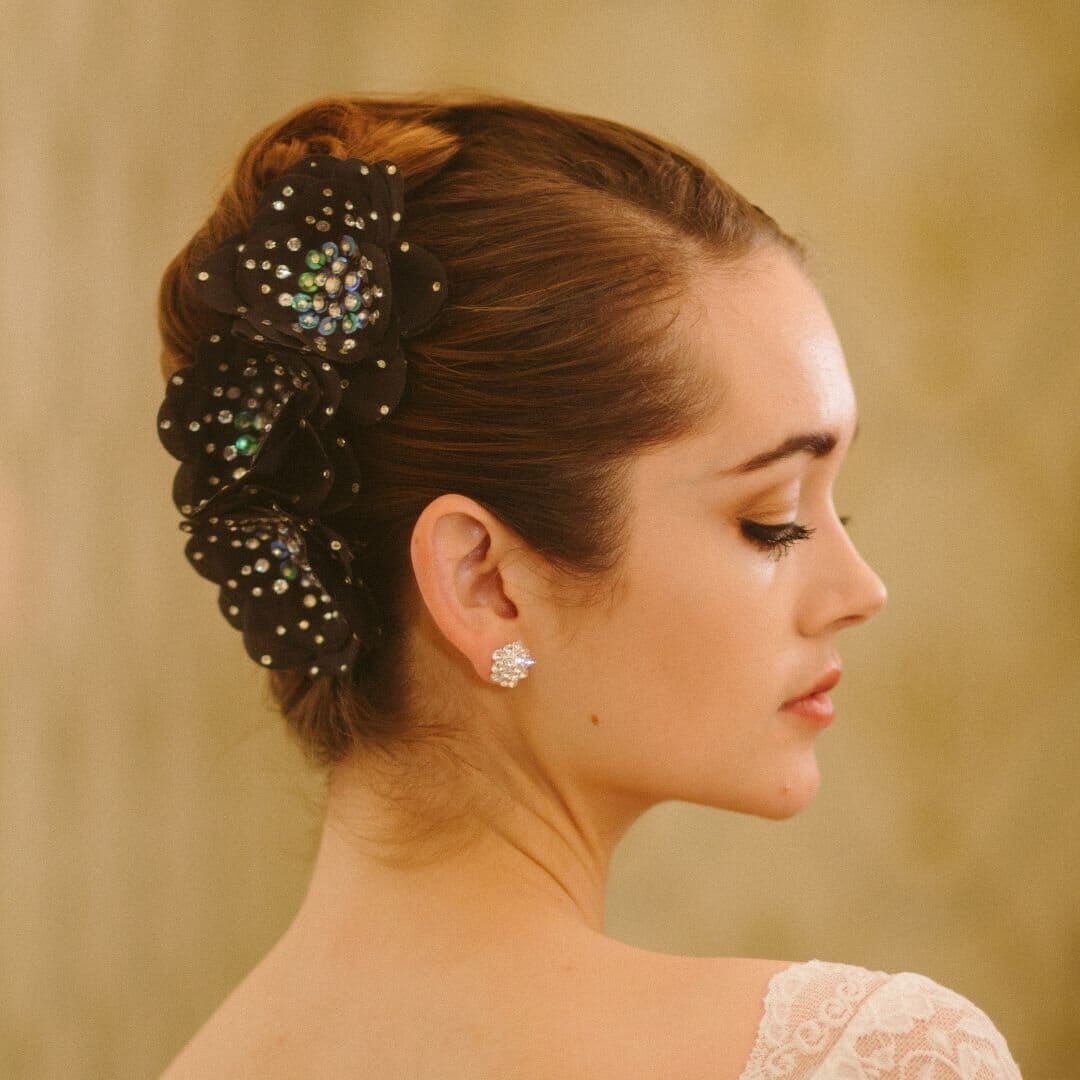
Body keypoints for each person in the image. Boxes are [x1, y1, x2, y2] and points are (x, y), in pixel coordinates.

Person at [156, 92, 1022, 1078]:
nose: (861, 589)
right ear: (485, 585)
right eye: (771, 519)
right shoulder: (878, 1058)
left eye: (838, 511)